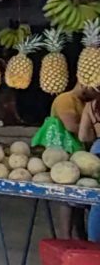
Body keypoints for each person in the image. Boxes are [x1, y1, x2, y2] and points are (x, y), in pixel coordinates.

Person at [51, 84, 97, 239]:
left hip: (80, 155)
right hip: (64, 155)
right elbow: (71, 126)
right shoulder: (65, 99)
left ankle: (81, 237)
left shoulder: (86, 103)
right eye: (95, 88)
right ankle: (66, 237)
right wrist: (94, 130)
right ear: (84, 83)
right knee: (68, 198)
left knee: (79, 201)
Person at [79, 96, 100, 242]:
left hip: (96, 153)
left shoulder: (92, 105)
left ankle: (94, 244)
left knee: (97, 201)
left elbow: (83, 136)